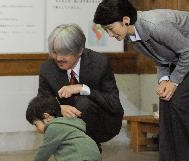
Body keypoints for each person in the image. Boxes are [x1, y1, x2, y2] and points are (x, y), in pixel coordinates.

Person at [94, 0, 189, 161]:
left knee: (181, 101)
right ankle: (178, 159)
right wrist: (164, 80)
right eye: (106, 31)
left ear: (125, 20)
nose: (110, 35)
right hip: (184, 56)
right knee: (166, 98)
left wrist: (173, 82)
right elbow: (162, 58)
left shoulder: (155, 26)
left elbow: (188, 52)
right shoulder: (133, 36)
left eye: (111, 29)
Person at [38, 24, 124, 152]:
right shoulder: (47, 68)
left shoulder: (99, 63)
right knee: (46, 115)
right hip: (66, 125)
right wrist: (59, 108)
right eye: (55, 52)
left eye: (65, 53)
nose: (59, 58)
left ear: (79, 51)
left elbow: (114, 104)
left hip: (102, 121)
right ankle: (69, 154)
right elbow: (40, 103)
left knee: (83, 103)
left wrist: (83, 88)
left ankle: (90, 151)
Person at [18, 96, 121, 161]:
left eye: (36, 124)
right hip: (87, 159)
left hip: (82, 160)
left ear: (46, 117)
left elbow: (44, 151)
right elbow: (63, 160)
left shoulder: (52, 128)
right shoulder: (64, 125)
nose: (36, 129)